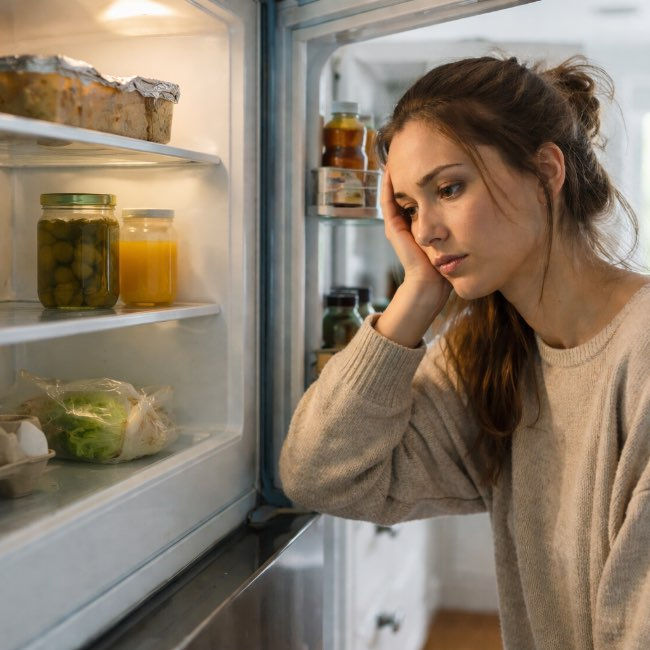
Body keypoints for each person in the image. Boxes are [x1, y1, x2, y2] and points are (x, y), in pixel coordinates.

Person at [279, 55, 650, 649]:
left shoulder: (642, 356)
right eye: (409, 208)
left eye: (448, 189)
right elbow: (320, 476)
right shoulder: (491, 354)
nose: (424, 231)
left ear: (545, 172)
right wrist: (418, 293)